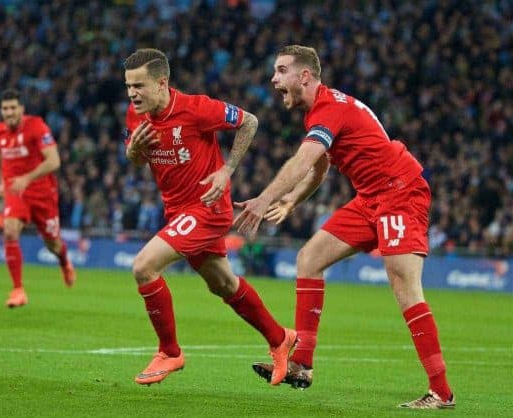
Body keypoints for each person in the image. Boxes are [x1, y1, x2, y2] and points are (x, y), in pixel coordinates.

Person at [233, 45, 455, 409]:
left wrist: (264, 198)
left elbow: (303, 160)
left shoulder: (329, 108)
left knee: (404, 286)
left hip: (400, 191)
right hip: (370, 198)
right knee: (309, 259)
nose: (274, 80)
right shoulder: (321, 111)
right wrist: (291, 201)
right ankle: (302, 363)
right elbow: (318, 168)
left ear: (304, 76)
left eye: (281, 70)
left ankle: (441, 392)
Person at [123, 48, 296, 386]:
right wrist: (133, 152)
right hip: (177, 210)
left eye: (139, 86)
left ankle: (170, 352)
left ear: (162, 83)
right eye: (129, 86)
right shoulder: (135, 115)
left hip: (207, 208)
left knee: (143, 267)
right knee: (223, 284)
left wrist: (227, 170)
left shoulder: (195, 108)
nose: (132, 93)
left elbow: (249, 121)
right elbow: (136, 159)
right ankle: (280, 338)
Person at [0, 89, 75, 308]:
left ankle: (64, 262)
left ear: (21, 109)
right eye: (5, 108)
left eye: (12, 108)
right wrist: (1, 180)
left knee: (53, 244)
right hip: (15, 191)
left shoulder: (37, 126)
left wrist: (27, 178)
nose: (9, 112)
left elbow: (54, 161)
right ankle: (18, 290)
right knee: (9, 230)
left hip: (42, 193)